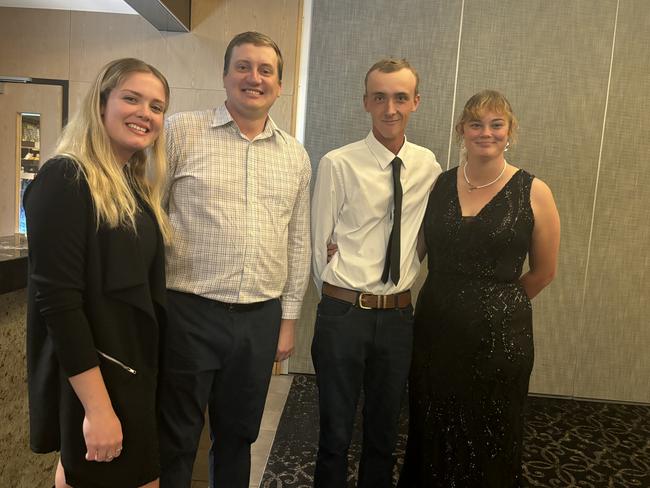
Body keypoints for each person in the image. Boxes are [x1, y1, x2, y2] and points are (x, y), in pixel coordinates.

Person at [158, 31, 311, 488]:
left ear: (279, 85)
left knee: (239, 435)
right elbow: (149, 217)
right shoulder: (179, 132)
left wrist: (288, 321)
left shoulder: (296, 157)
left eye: (266, 70)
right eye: (243, 66)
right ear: (225, 76)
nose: (254, 78)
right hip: (188, 312)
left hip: (258, 320)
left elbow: (298, 241)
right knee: (177, 436)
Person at [398, 90, 561, 487]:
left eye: (496, 124)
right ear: (462, 131)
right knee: (432, 422)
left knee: (492, 430)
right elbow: (408, 247)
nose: (485, 132)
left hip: (501, 340)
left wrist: (497, 306)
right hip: (436, 330)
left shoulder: (534, 191)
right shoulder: (438, 186)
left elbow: (543, 272)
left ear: (510, 132)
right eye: (476, 124)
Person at [24, 58, 171, 488]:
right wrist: (98, 410)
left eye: (157, 106)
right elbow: (60, 306)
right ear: (101, 103)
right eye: (132, 98)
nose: (145, 113)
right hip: (99, 379)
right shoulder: (65, 178)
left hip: (130, 372)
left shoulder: (130, 184)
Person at [311, 58, 442, 488]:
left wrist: (406, 272)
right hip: (344, 312)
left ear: (415, 102)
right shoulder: (338, 163)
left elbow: (425, 233)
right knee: (334, 430)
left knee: (385, 432)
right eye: (380, 97)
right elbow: (319, 242)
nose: (391, 108)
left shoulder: (429, 166)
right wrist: (336, 291)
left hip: (398, 317)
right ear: (366, 102)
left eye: (401, 97)